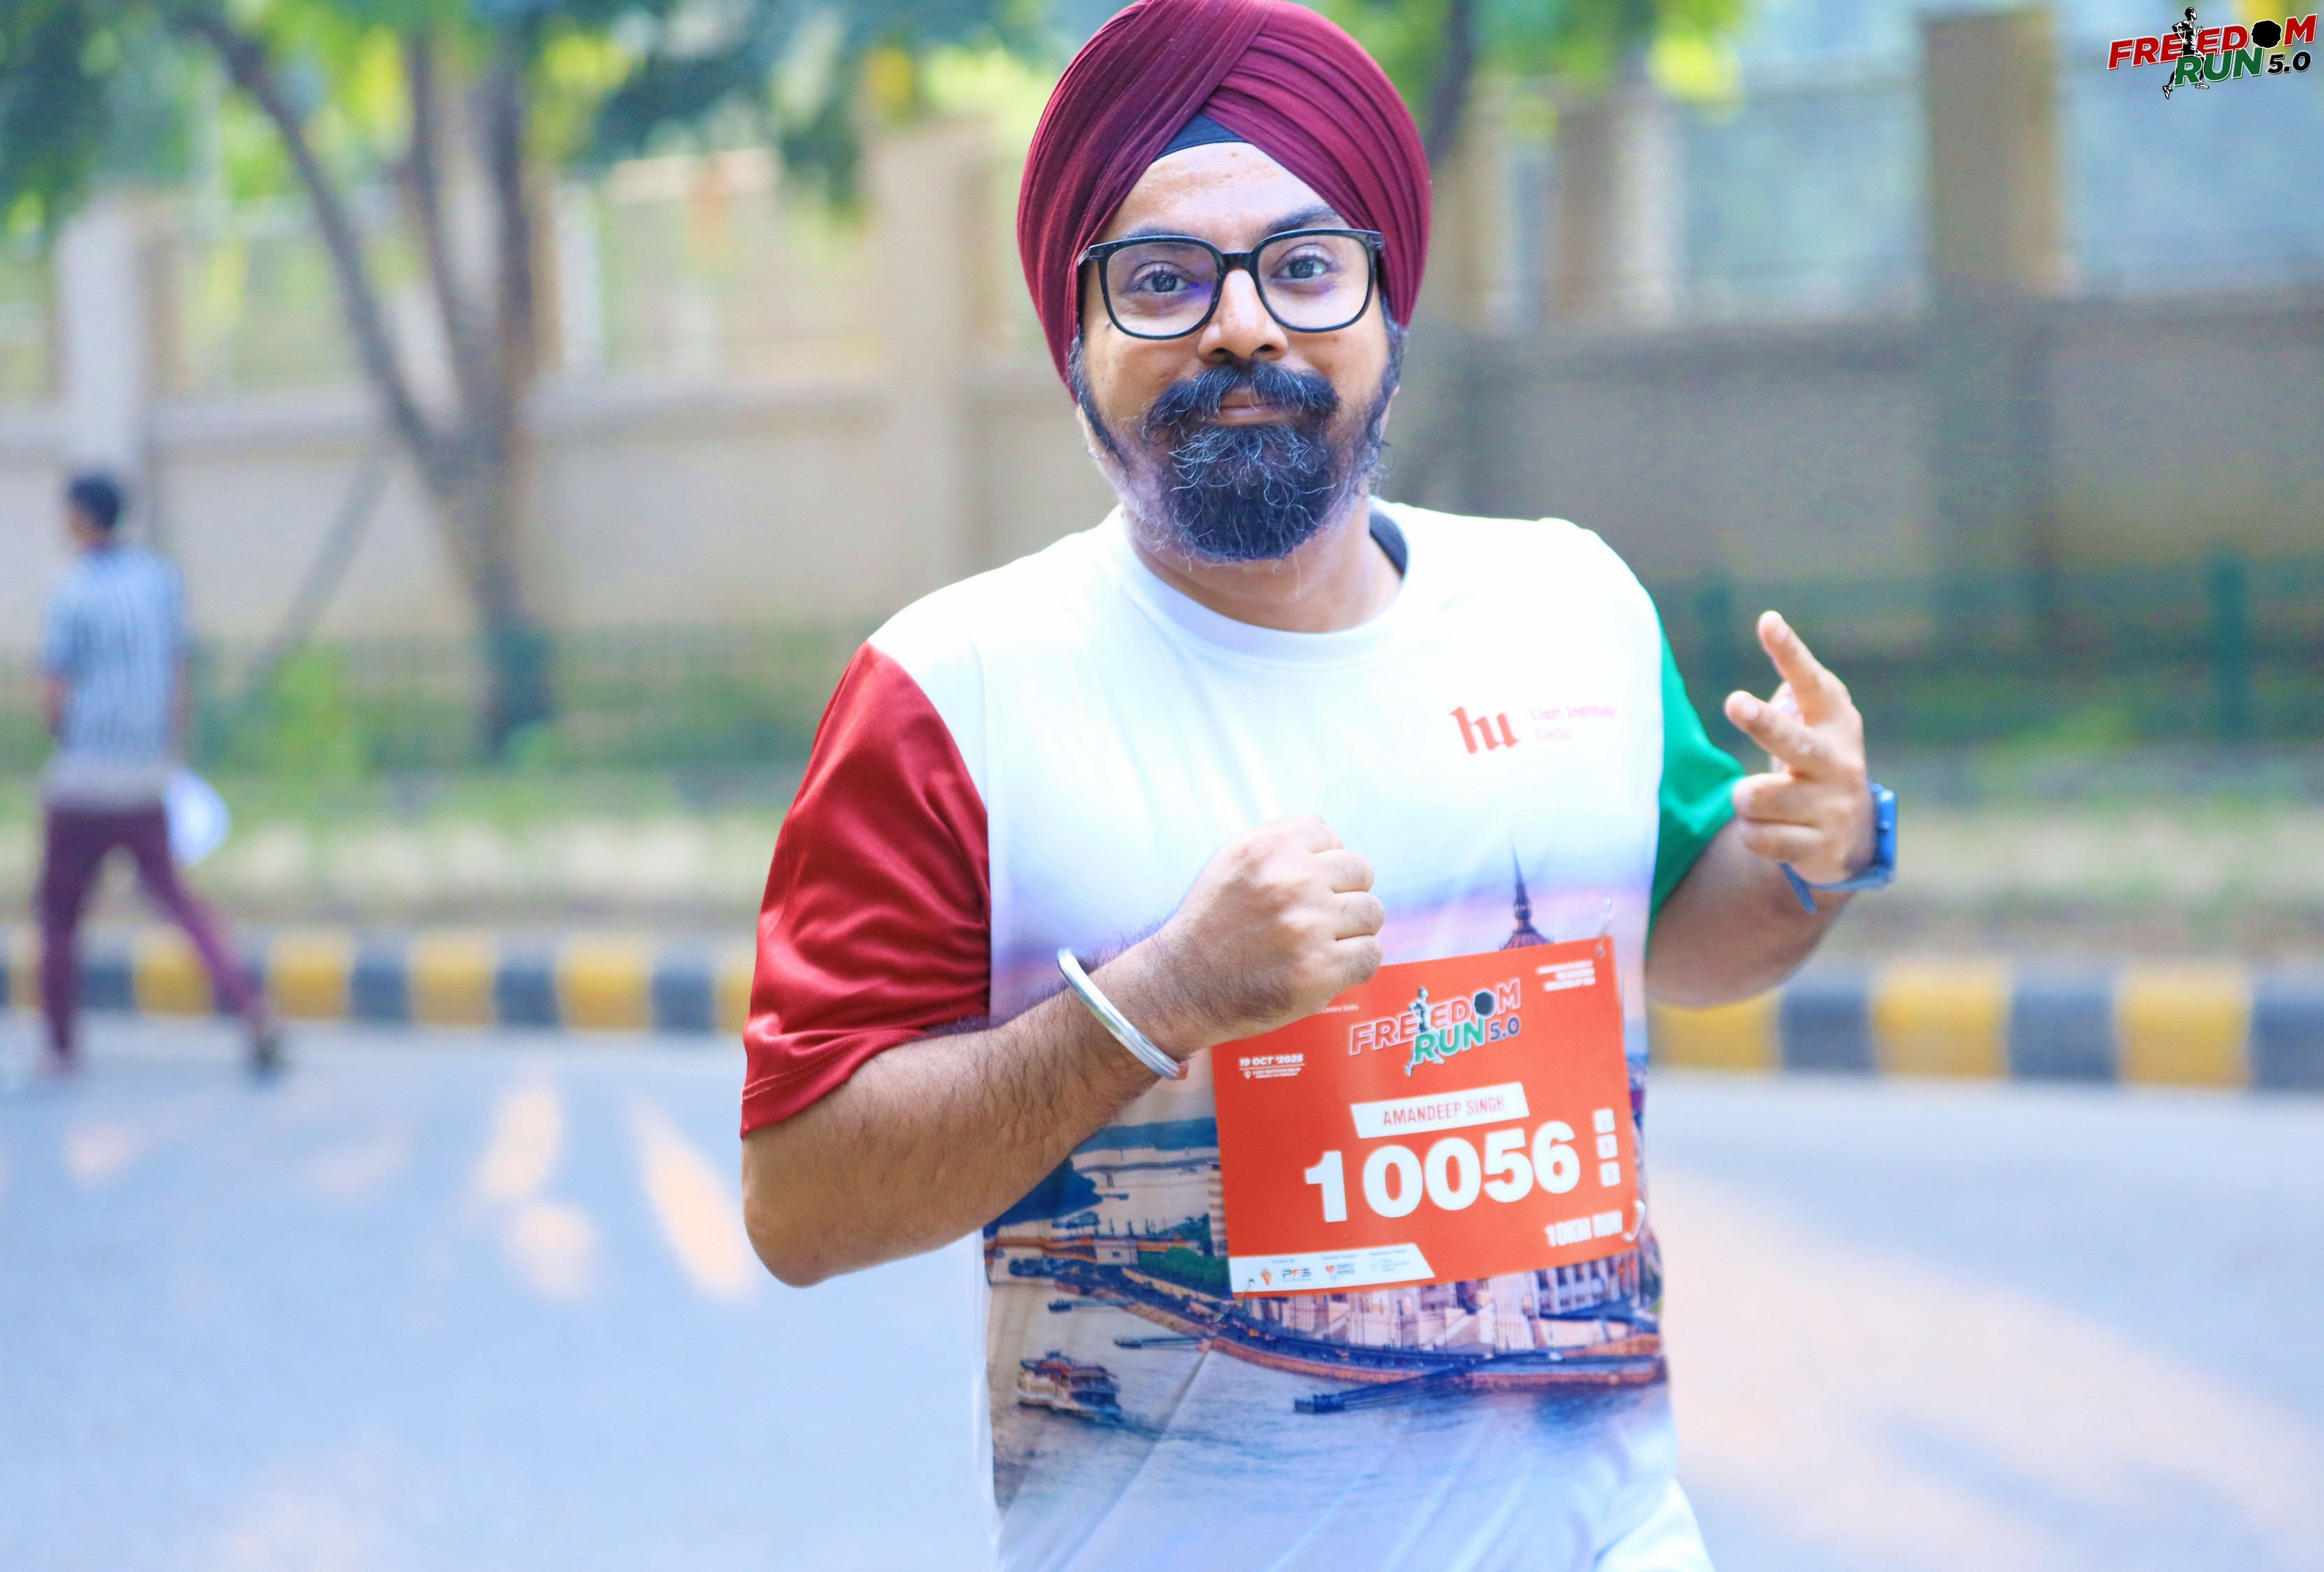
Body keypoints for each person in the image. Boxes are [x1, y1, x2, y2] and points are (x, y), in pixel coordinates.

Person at [738, 1, 1893, 1566]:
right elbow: (800, 1205)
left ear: (1386, 307)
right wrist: (1155, 1000)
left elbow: (1686, 937)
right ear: (1072, 342)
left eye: (1302, 265)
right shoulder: (952, 692)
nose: (1241, 326)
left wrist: (1817, 854)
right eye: (1162, 280)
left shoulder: (1569, 605)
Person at [35, 472, 279, 1077]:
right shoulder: (159, 582)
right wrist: (168, 755)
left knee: (59, 915)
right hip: (146, 773)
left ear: (81, 518)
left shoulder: (71, 591)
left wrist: (66, 739)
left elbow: (54, 690)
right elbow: (179, 679)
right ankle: (250, 1008)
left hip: (85, 777)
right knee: (176, 898)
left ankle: (60, 1049)